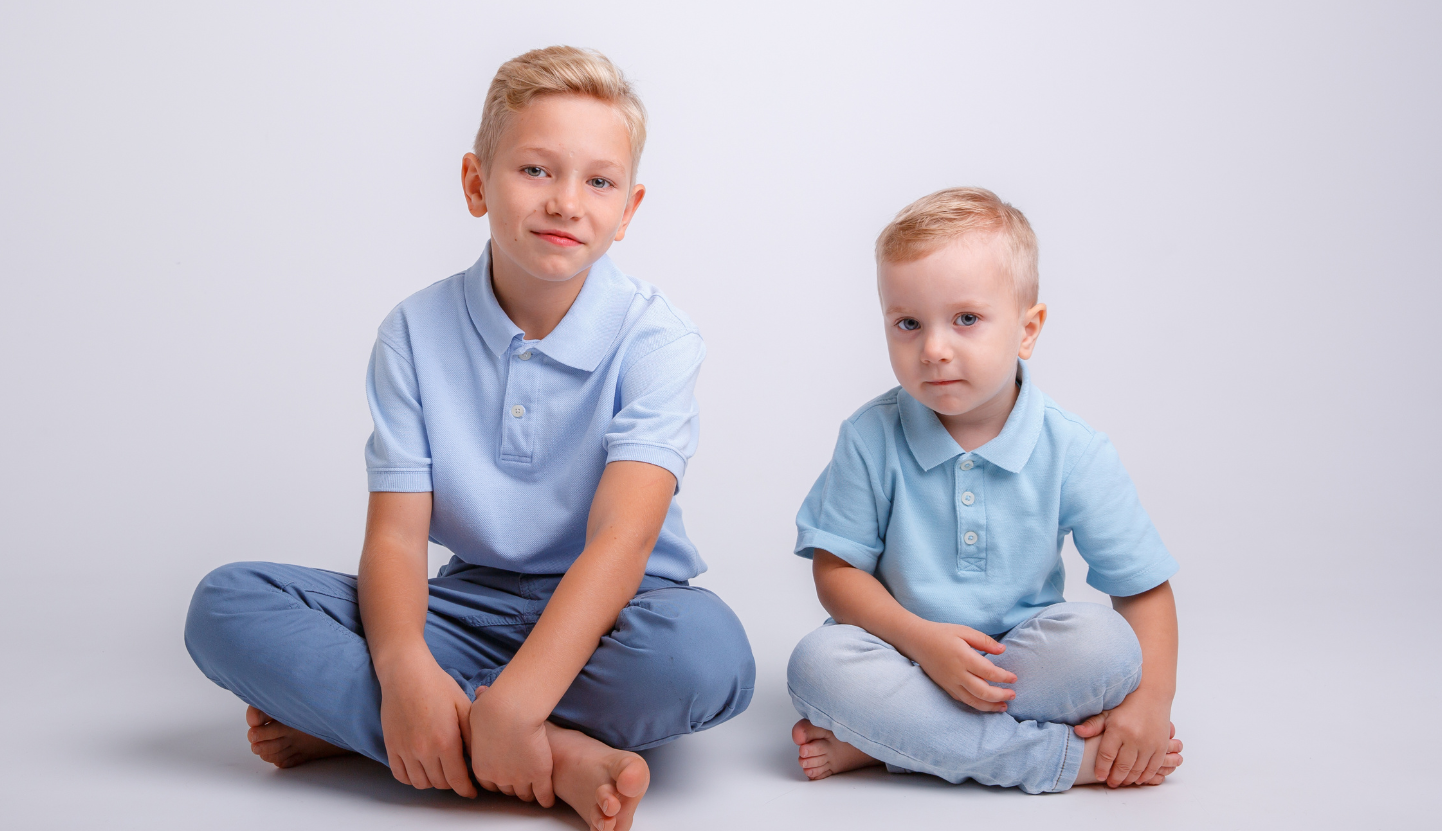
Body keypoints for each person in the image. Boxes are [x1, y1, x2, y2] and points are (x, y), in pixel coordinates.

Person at [184, 46, 755, 831]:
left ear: (629, 209)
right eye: (535, 171)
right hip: (465, 605)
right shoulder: (413, 333)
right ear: (476, 184)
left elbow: (623, 539)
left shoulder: (657, 338)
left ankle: (399, 733)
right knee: (225, 603)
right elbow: (395, 538)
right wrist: (404, 665)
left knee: (711, 657)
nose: (566, 201)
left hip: (620, 612)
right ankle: (546, 753)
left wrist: (519, 697)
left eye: (599, 180)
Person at [786, 187, 1183, 793]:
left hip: (1023, 663)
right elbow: (836, 575)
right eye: (908, 324)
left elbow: (1144, 591)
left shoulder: (1074, 449)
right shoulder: (870, 436)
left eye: (966, 319)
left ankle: (891, 742)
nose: (935, 349)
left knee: (1107, 647)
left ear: (1028, 330)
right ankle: (1059, 761)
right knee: (817, 666)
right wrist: (926, 644)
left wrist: (1151, 704)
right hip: (904, 653)